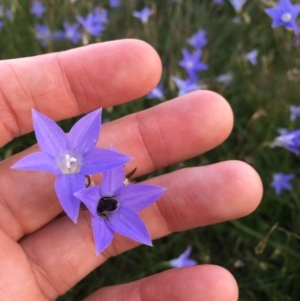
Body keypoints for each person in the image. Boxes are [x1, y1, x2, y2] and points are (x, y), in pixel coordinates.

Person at [0, 39, 262, 301]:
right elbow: (91, 191)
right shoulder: (87, 186)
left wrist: (91, 193)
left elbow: (98, 192)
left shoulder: (97, 191)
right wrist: (87, 193)